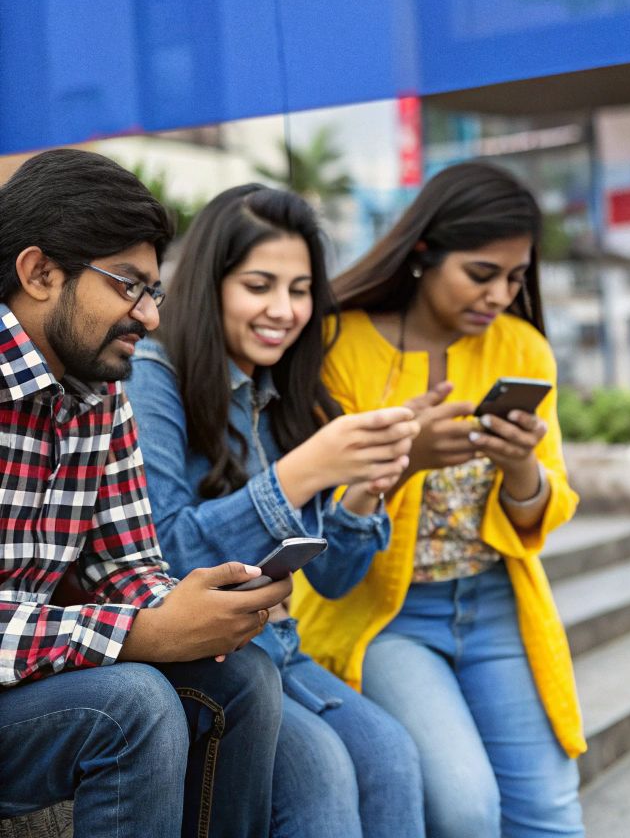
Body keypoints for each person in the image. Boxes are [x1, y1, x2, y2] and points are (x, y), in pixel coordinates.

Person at [290, 161, 583, 838]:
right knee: (464, 806)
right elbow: (321, 532)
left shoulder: (523, 347)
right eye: (482, 274)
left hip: (497, 603)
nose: (501, 295)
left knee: (549, 816)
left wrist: (520, 470)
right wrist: (403, 459)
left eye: (514, 277)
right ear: (424, 253)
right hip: (385, 617)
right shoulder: (339, 345)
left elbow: (550, 499)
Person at [125, 184, 427, 838]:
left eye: (299, 290)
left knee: (393, 758)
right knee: (325, 776)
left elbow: (335, 579)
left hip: (283, 649)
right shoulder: (154, 373)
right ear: (212, 284)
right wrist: (302, 473)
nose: (283, 310)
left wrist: (364, 490)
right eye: (259, 285)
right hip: (197, 662)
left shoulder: (284, 388)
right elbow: (162, 553)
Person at [0, 149, 286, 838]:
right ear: (39, 273)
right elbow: (128, 630)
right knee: (131, 703)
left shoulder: (100, 395)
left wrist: (201, 608)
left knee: (243, 679)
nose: (150, 317)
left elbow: (125, 566)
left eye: (153, 290)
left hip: (23, 685)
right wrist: (138, 632)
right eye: (129, 285)